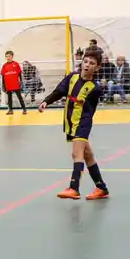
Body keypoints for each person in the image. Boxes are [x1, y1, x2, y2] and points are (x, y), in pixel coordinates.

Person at [39, 49, 109, 200]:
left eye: (92, 63)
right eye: (85, 61)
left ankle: (74, 187)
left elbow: (90, 110)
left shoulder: (95, 88)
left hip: (83, 123)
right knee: (87, 155)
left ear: (97, 68)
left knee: (77, 153)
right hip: (70, 121)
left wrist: (83, 120)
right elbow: (59, 91)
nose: (87, 65)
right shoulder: (72, 77)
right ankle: (101, 188)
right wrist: (46, 101)